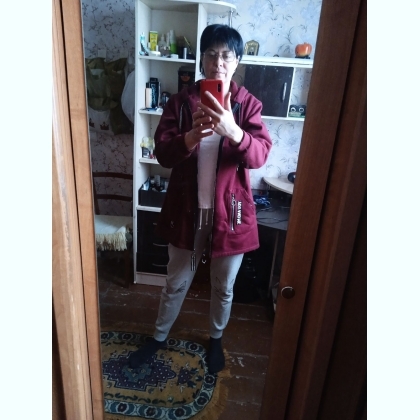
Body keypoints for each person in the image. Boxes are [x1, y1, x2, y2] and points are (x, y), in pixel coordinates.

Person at [129, 24, 272, 373]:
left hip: (229, 216)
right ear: (202, 59)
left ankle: (216, 339)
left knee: (223, 286)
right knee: (178, 280)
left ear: (237, 61)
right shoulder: (180, 103)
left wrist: (234, 131)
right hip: (188, 214)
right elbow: (164, 154)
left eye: (226, 55)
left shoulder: (247, 105)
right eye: (211, 54)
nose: (218, 62)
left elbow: (259, 155)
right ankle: (159, 336)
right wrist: (191, 137)